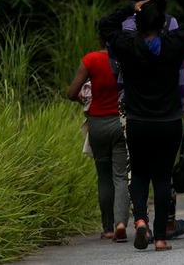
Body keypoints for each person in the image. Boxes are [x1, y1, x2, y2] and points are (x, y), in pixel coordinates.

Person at [98, 0, 184, 252]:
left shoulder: (128, 47)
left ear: (139, 22)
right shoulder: (173, 45)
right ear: (161, 25)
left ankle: (141, 221)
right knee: (161, 178)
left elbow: (105, 26)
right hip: (168, 123)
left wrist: (130, 8)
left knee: (141, 175)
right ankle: (159, 238)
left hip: (137, 122)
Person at [116, 0, 184, 240]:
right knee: (162, 175)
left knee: (135, 170)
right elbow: (180, 69)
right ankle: (163, 231)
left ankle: (140, 222)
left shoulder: (124, 29)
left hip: (133, 108)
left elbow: (117, 64)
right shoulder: (170, 24)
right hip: (167, 111)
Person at [67, 37, 130, 243]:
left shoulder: (91, 60)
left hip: (97, 124)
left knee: (104, 177)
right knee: (120, 176)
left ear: (100, 39)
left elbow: (71, 93)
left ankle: (108, 228)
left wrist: (82, 97)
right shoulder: (125, 59)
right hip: (120, 122)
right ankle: (121, 223)